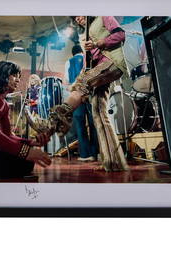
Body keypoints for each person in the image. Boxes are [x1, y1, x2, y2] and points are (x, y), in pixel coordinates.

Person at [26, 16, 129, 172]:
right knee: (98, 113)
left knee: (82, 84)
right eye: (76, 18)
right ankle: (113, 162)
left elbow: (121, 34)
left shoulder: (103, 17)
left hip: (111, 62)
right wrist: (77, 80)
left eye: (80, 14)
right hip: (100, 69)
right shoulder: (84, 35)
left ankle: (51, 123)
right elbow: (89, 63)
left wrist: (98, 43)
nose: (79, 19)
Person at [64, 44, 98, 161]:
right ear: (81, 51)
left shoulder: (69, 62)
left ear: (73, 53)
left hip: (77, 94)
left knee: (80, 124)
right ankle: (95, 153)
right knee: (93, 123)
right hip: (90, 93)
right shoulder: (88, 57)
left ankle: (85, 154)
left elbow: (68, 81)